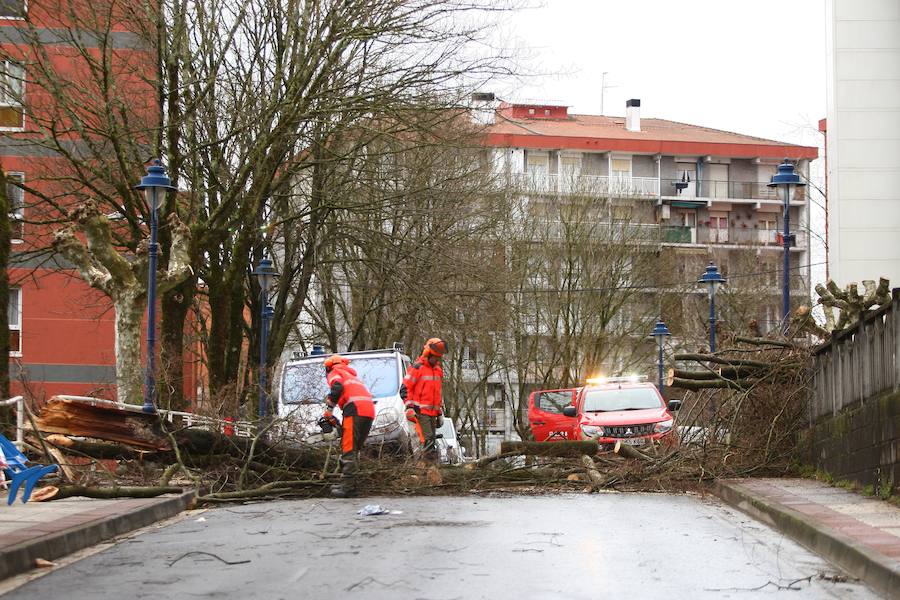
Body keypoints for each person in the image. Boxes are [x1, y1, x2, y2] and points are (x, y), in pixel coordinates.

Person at [322, 354, 375, 498]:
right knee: (355, 449)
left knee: (348, 448)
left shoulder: (335, 372)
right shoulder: (351, 375)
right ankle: (348, 482)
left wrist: (329, 410)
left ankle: (348, 487)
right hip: (368, 411)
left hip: (354, 410)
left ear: (329, 366)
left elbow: (337, 388)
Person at [400, 338, 447, 461]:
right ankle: (428, 470)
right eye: (435, 357)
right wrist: (409, 407)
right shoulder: (417, 368)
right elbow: (405, 388)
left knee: (430, 441)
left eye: (438, 357)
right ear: (428, 353)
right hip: (420, 412)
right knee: (427, 442)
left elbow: (437, 394)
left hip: (432, 414)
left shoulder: (438, 371)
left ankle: (428, 470)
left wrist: (439, 412)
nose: (437, 360)